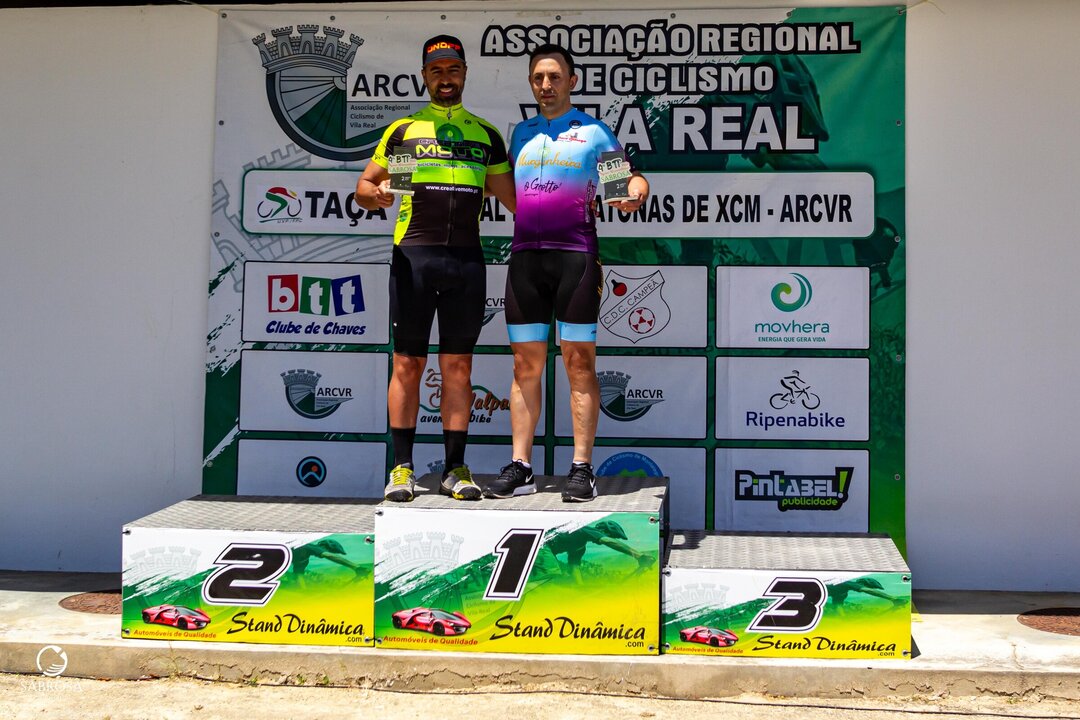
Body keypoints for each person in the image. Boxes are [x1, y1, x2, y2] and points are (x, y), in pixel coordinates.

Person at [483, 44, 649, 502]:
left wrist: (636, 192)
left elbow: (627, 180)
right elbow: (505, 189)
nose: (546, 85)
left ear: (572, 82)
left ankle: (581, 468)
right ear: (531, 83)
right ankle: (521, 466)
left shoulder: (594, 132)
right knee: (524, 365)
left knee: (578, 362)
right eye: (538, 78)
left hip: (576, 258)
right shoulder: (521, 134)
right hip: (525, 261)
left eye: (555, 77)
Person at [355, 35, 515, 502]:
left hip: (466, 261)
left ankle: (454, 468)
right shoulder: (404, 131)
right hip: (414, 258)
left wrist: (576, 208)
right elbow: (366, 187)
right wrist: (374, 195)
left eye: (453, 69)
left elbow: (516, 202)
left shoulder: (486, 135)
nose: (445, 78)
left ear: (465, 74)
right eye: (436, 71)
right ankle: (401, 468)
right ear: (424, 76)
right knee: (408, 363)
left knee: (458, 367)